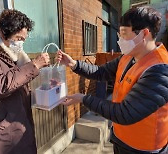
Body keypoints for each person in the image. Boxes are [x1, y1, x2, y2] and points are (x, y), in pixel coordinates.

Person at [57, 6, 168, 154]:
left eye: (124, 34)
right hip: (121, 138)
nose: (119, 40)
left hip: (144, 148)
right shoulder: (128, 56)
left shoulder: (160, 70)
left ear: (144, 34)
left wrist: (84, 98)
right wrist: (73, 64)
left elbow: (125, 113)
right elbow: (101, 72)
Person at [0, 9, 50, 154]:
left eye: (24, 39)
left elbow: (17, 80)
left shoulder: (11, 53)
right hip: (3, 134)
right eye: (19, 38)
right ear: (3, 32)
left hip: (17, 123)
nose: (21, 43)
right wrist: (34, 66)